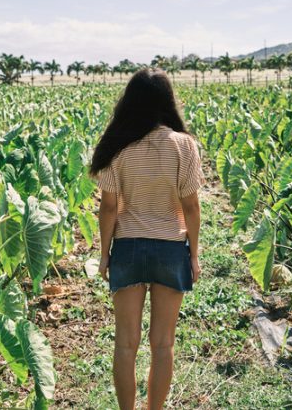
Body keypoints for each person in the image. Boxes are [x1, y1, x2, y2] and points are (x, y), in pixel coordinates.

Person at [90, 68, 204, 410]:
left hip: (128, 247)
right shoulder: (184, 145)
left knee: (125, 344)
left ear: (130, 101)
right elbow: (191, 207)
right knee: (163, 344)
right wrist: (194, 255)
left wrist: (105, 254)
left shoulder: (118, 146)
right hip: (170, 248)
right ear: (167, 102)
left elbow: (109, 208)